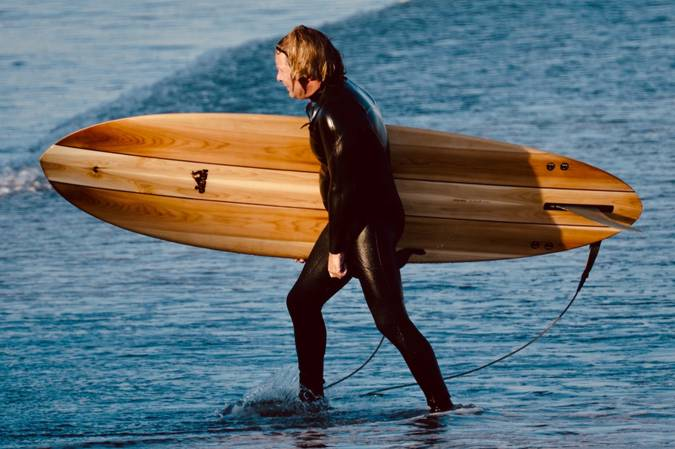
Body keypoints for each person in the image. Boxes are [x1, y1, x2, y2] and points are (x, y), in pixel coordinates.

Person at [274, 25, 453, 412]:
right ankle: (311, 400)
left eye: (282, 69)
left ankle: (442, 407)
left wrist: (336, 249)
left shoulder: (335, 113)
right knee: (302, 302)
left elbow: (347, 188)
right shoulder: (343, 95)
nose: (279, 78)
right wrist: (325, 246)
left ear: (303, 68)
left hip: (366, 224)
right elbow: (344, 184)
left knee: (391, 321)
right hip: (358, 219)